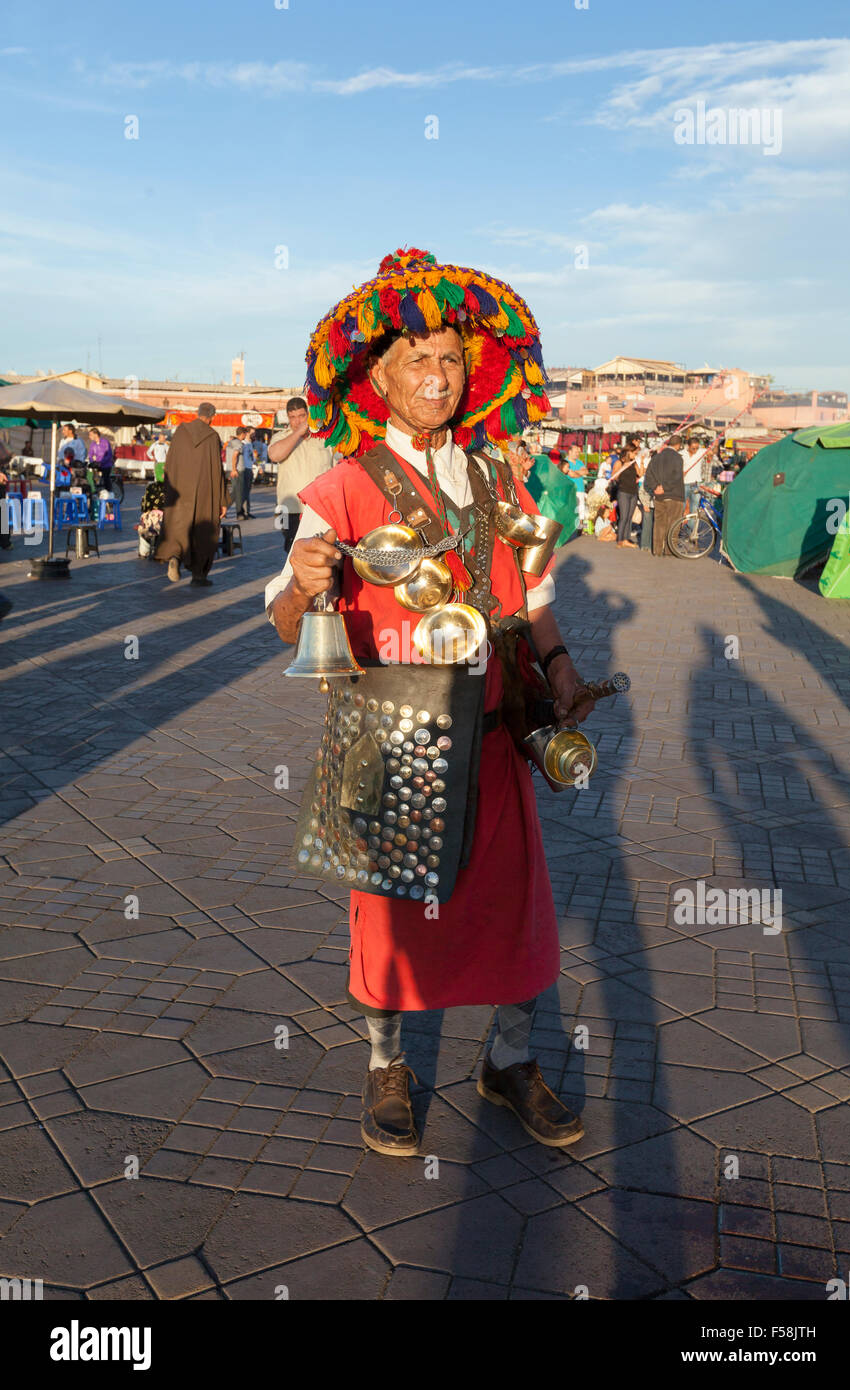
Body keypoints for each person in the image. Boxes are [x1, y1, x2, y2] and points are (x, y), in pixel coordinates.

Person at [266, 246, 597, 1156]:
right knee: (392, 924)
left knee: (516, 914)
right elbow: (283, 621)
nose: (439, 376)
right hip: (395, 736)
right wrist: (300, 583)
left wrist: (560, 665)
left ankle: (509, 1061)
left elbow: (531, 602)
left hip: (495, 739)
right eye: (419, 359)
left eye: (452, 358)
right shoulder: (341, 485)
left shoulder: (502, 479)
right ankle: (386, 1066)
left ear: (471, 370)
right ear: (381, 376)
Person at [156, 402, 228, 586]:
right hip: (205, 493)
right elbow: (217, 470)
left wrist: (169, 489)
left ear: (198, 414)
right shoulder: (212, 436)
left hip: (180, 490)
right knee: (204, 532)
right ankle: (199, 575)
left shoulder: (180, 431)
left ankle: (175, 555)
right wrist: (222, 500)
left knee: (179, 525)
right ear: (212, 416)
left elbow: (170, 462)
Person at [268, 397, 332, 551]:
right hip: (289, 508)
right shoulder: (281, 437)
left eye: (302, 416)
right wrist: (298, 433)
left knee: (322, 549)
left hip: (319, 508)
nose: (297, 421)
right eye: (293, 417)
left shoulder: (323, 439)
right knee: (292, 550)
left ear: (308, 414)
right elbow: (275, 455)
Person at [644, 437, 685, 556]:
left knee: (659, 524)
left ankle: (657, 551)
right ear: (678, 445)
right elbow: (677, 477)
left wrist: (656, 487)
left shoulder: (656, 457)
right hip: (674, 495)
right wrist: (665, 487)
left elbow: (648, 475)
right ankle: (669, 551)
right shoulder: (678, 458)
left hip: (659, 496)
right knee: (673, 523)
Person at [609, 444, 640, 547]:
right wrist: (623, 467)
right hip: (623, 492)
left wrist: (642, 462)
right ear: (628, 452)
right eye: (634, 453)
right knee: (624, 516)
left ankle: (626, 539)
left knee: (629, 517)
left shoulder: (634, 463)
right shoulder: (619, 462)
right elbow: (614, 477)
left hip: (633, 492)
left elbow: (640, 474)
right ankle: (620, 540)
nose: (635, 455)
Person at [225, 426, 249, 516]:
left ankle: (238, 511)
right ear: (242, 434)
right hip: (237, 471)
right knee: (237, 492)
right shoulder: (238, 443)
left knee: (236, 492)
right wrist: (234, 469)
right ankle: (239, 513)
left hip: (230, 469)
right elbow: (235, 455)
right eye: (245, 434)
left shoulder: (231, 442)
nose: (245, 436)